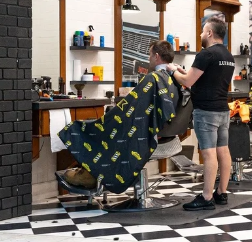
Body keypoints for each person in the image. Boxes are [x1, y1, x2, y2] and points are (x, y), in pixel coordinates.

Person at [62, 39, 178, 189]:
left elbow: (134, 110)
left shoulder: (153, 78)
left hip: (143, 135)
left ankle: (90, 175)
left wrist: (112, 114)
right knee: (105, 127)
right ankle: (91, 172)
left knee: (85, 127)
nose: (148, 58)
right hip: (161, 135)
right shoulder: (173, 78)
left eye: (149, 55)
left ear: (156, 56)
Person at [169, 18, 235, 210]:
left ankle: (206, 197)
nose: (200, 35)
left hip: (206, 112)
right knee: (223, 151)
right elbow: (205, 78)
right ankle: (222, 193)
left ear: (209, 33)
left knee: (208, 154)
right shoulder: (228, 56)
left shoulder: (206, 54)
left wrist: (173, 71)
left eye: (202, 31)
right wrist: (184, 72)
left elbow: (188, 81)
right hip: (223, 110)